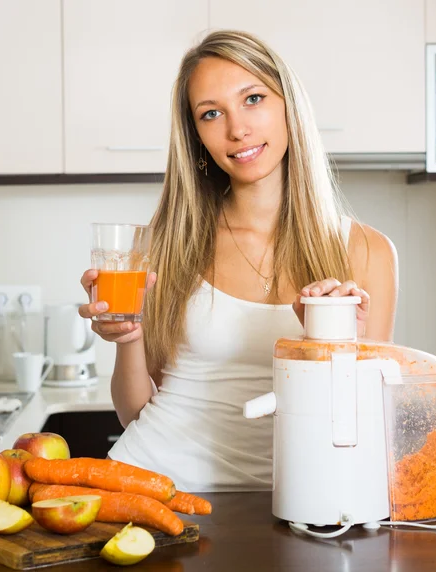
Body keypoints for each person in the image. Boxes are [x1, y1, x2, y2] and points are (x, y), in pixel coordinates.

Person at [78, 30, 398, 492]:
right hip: (158, 490)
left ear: (288, 104)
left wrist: (329, 343)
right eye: (211, 113)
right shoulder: (169, 244)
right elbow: (133, 414)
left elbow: (364, 420)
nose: (237, 129)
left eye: (253, 98)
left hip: (296, 502)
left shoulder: (367, 251)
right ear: (197, 136)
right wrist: (129, 337)